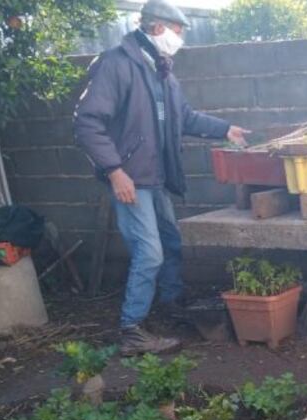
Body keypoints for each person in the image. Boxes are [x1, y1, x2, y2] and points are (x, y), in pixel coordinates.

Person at [74, 0, 248, 355]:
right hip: (130, 180)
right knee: (150, 253)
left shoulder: (162, 71)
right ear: (156, 28)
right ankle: (131, 330)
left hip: (156, 178)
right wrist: (114, 171)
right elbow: (87, 122)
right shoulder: (116, 64)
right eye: (177, 32)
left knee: (170, 243)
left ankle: (171, 304)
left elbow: (185, 117)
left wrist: (225, 129)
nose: (179, 39)